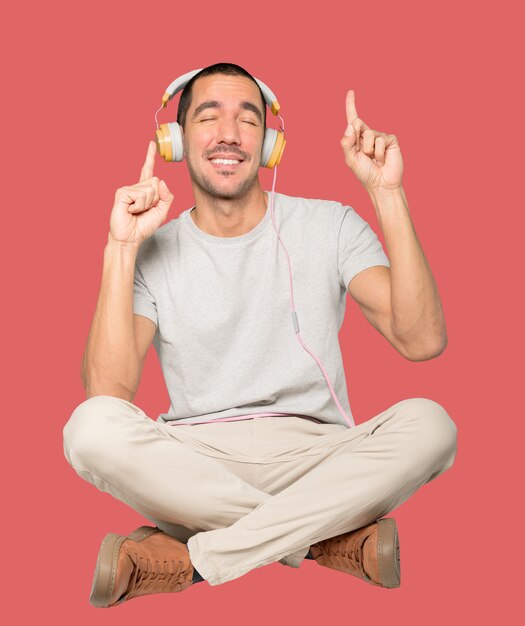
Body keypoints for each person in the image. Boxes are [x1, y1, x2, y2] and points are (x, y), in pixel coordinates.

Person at [62, 62, 458, 608]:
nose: (228, 134)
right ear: (175, 140)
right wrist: (121, 249)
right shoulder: (153, 250)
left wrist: (387, 193)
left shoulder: (330, 225)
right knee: (88, 429)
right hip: (196, 462)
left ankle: (196, 559)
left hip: (319, 457)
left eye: (247, 119)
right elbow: (109, 394)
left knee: (432, 425)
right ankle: (322, 542)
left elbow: (422, 341)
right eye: (208, 117)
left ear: (269, 144)